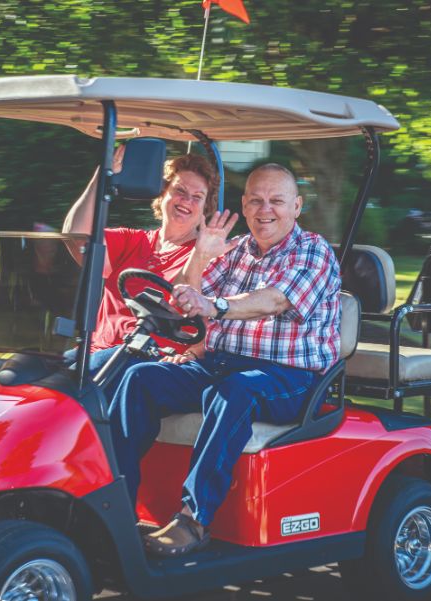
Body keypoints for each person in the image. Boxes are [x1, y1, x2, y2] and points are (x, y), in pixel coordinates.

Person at [108, 163, 341, 556]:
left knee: (232, 390)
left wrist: (213, 305)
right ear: (245, 206)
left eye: (277, 201)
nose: (265, 209)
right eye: (255, 200)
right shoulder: (236, 250)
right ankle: (116, 509)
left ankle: (193, 520)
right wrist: (200, 255)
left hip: (292, 378)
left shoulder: (313, 251)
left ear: (297, 206)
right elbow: (182, 294)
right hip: (221, 363)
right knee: (139, 379)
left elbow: (272, 300)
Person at [62, 146, 218, 382]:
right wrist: (103, 176)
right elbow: (77, 236)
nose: (187, 200)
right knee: (24, 371)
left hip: (148, 358)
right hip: (96, 351)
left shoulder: (205, 255)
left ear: (205, 208)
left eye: (197, 197)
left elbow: (204, 319)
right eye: (180, 190)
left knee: (70, 383)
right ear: (162, 193)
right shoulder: (133, 240)